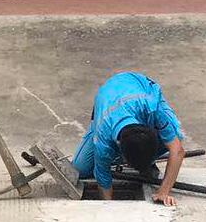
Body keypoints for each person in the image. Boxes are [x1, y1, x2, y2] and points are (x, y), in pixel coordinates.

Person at [72, 72, 185, 206]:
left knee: (173, 137)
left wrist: (163, 191)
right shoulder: (103, 140)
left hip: (139, 89)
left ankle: (147, 161)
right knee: (79, 169)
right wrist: (109, 208)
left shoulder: (152, 108)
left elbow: (178, 151)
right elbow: (103, 180)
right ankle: (142, 160)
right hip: (106, 109)